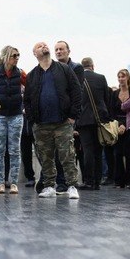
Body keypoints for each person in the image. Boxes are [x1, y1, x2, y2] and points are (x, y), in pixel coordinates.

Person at [23, 42, 81, 199]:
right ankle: (48, 186)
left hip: (63, 122)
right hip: (41, 124)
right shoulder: (32, 75)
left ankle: (72, 186)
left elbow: (76, 91)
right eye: (39, 46)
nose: (44, 46)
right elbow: (27, 99)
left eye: (44, 44)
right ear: (35, 53)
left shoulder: (64, 69)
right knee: (45, 156)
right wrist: (32, 119)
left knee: (67, 155)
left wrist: (72, 116)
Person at [0, 46, 26, 194]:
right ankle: (0, 182)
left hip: (16, 116)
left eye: (18, 55)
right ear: (6, 56)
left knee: (14, 150)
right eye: (14, 55)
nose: (17, 58)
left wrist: (26, 106)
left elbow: (31, 88)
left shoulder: (20, 73)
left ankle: (13, 183)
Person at [53, 40, 84, 191]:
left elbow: (76, 92)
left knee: (69, 151)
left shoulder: (76, 68)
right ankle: (61, 181)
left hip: (70, 116)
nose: (58, 52)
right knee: (58, 150)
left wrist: (73, 117)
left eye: (61, 49)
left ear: (68, 51)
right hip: (56, 116)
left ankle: (69, 181)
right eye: (56, 49)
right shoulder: (53, 67)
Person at [77, 57, 109, 190]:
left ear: (82, 66)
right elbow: (107, 98)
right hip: (99, 120)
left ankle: (88, 180)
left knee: (87, 151)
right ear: (92, 66)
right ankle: (97, 181)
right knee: (98, 151)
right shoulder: (101, 78)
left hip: (84, 120)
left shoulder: (78, 78)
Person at [108, 69, 130, 188]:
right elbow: (111, 112)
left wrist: (125, 124)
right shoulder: (114, 94)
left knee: (129, 153)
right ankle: (119, 180)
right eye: (119, 77)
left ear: (128, 78)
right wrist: (119, 125)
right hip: (117, 127)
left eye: (123, 76)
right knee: (118, 154)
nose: (121, 79)